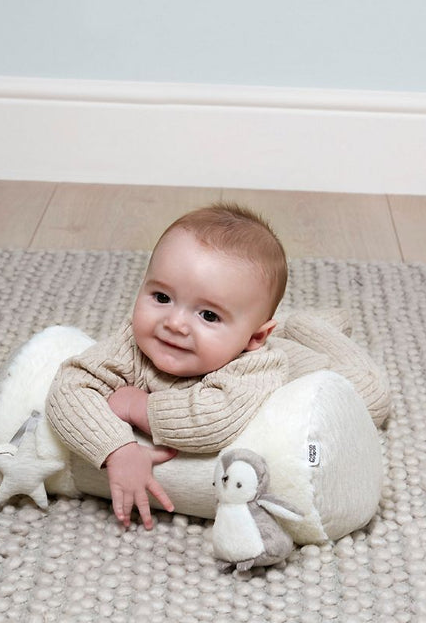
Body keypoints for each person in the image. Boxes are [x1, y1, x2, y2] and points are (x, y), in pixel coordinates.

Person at [45, 203, 390, 530]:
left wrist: (139, 406)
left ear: (255, 339)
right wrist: (116, 449)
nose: (175, 323)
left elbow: (213, 421)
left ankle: (309, 328)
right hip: (253, 332)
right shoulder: (133, 341)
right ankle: (283, 325)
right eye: (161, 297)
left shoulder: (255, 365)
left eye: (208, 315)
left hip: (304, 367)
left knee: (372, 396)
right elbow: (69, 387)